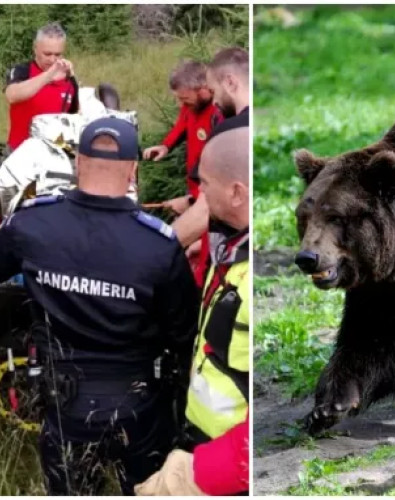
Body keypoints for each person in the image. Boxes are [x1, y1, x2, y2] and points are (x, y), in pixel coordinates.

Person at [0, 117, 199, 495]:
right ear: (133, 170)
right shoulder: (157, 245)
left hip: (64, 410)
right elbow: (184, 331)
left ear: (78, 164)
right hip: (139, 410)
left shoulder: (31, 224)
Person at [135, 126, 249, 496]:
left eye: (204, 188)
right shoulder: (231, 248)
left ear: (236, 192)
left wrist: (194, 475)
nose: (198, 198)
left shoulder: (250, 279)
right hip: (200, 438)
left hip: (224, 467)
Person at [173, 48, 250, 287]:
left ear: (230, 82)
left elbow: (205, 208)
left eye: (215, 92)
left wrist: (156, 248)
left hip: (232, 272)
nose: (214, 101)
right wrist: (201, 242)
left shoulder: (228, 132)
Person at [142, 61, 222, 212]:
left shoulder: (218, 113)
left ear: (203, 89)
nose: (181, 104)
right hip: (193, 186)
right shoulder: (190, 106)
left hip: (209, 190)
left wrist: (191, 202)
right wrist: (165, 146)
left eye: (184, 99)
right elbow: (181, 125)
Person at [4, 22, 79, 153]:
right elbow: (12, 95)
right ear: (35, 48)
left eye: (58, 54)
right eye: (47, 54)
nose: (52, 60)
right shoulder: (22, 70)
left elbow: (74, 117)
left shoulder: (68, 79)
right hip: (19, 152)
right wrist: (48, 76)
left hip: (55, 152)